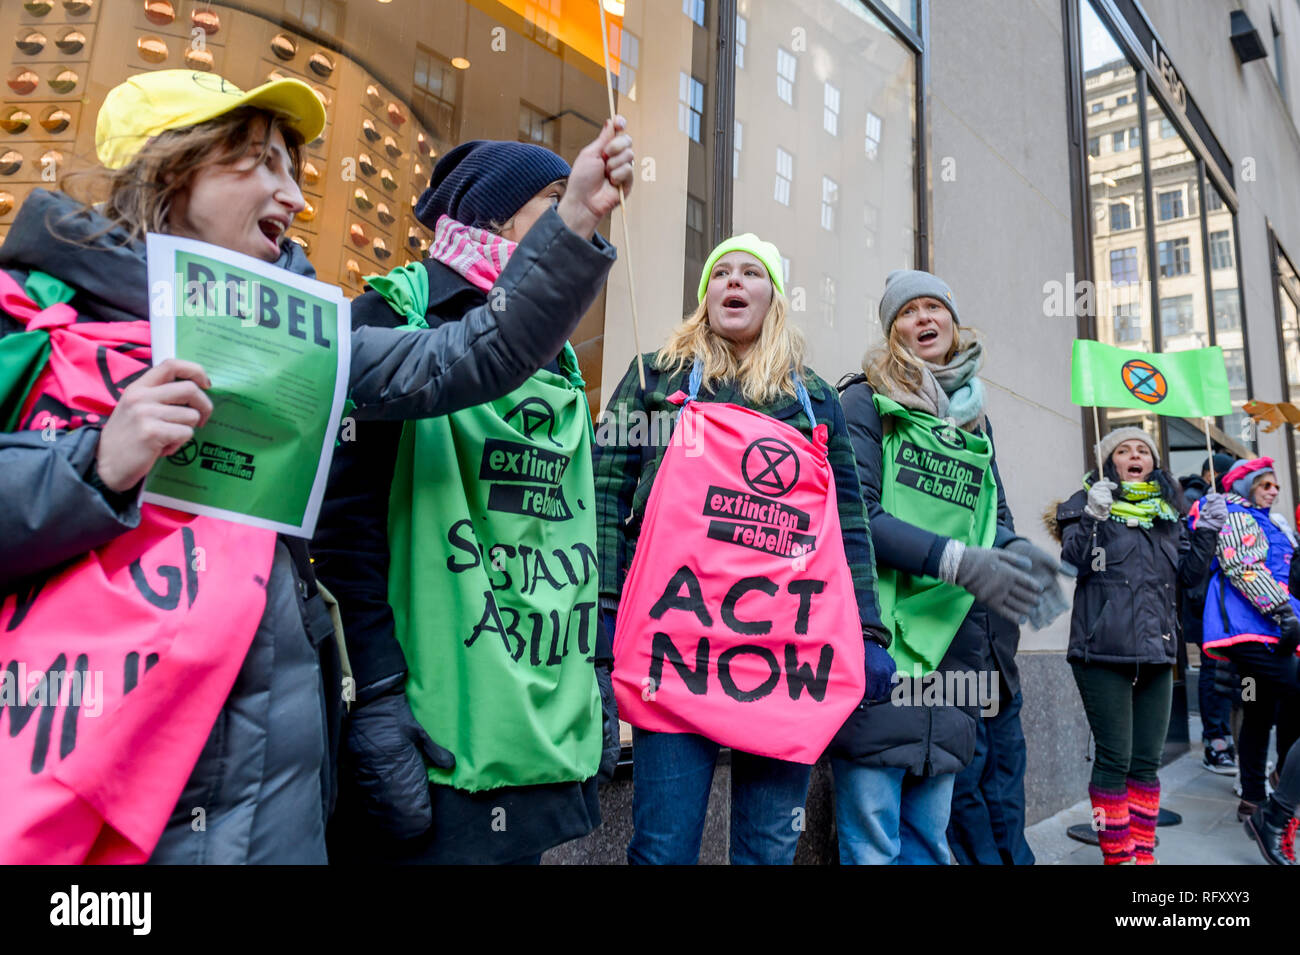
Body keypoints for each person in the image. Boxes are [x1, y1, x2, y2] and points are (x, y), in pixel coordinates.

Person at [0, 70, 630, 863]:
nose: (293, 195)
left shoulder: (299, 340)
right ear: (171, 168)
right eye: (260, 163)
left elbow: (468, 357)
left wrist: (573, 221)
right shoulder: (29, 315)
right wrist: (93, 465)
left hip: (270, 784)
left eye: (293, 170)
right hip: (80, 775)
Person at [314, 138, 631, 865]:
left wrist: (592, 676)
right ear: (492, 219)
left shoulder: (558, 358)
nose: (573, 222)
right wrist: (382, 693)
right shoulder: (389, 316)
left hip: (534, 725)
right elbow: (347, 528)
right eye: (552, 206)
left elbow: (568, 539)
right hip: (437, 728)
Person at [593, 234, 894, 865]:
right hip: (673, 653)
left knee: (766, 851)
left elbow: (848, 523)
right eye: (720, 273)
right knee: (661, 851)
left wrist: (867, 631)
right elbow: (602, 496)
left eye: (751, 273)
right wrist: (601, 620)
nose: (733, 281)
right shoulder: (655, 376)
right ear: (706, 297)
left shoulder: (815, 398)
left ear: (774, 297)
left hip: (783, 661)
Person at [832, 269, 1059, 865]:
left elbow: (995, 514)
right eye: (908, 311)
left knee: (932, 840)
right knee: (874, 840)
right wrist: (957, 560)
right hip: (883, 646)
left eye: (935, 307)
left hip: (955, 654)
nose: (923, 319)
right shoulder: (863, 402)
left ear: (955, 325)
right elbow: (857, 515)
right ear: (891, 330)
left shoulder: (973, 420)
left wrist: (1015, 554)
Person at [1051, 427, 1221, 864]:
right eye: (1123, 450)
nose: (1134, 455)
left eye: (1142, 450)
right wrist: (1093, 517)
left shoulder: (1168, 514)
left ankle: (1142, 855)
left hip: (1158, 654)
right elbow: (1075, 564)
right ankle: (1117, 855)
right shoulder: (1085, 503)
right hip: (1101, 652)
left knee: (1146, 762)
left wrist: (1207, 534)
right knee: (1115, 759)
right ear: (1109, 461)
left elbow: (1189, 580)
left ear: (1153, 462)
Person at [1200, 457, 1300, 825]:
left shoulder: (1277, 523)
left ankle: (1255, 798)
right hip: (1249, 627)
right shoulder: (1235, 514)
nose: (1273, 491)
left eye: (1276, 486)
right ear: (1246, 486)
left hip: (1275, 628)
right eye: (1265, 484)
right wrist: (1282, 611)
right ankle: (1281, 791)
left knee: (1258, 708)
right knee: (1287, 694)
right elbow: (1242, 566)